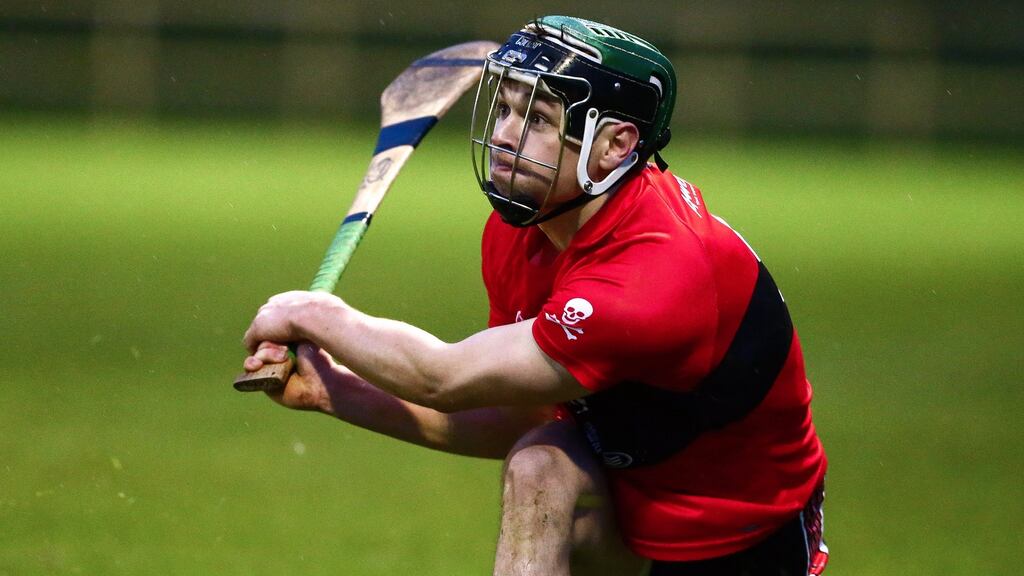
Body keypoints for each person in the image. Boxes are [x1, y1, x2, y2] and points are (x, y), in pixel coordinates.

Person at [242, 15, 829, 576]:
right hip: (624, 518)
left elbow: (442, 378)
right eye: (503, 109)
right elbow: (516, 416)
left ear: (615, 145)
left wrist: (314, 313)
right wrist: (337, 391)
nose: (501, 135)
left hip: (744, 540)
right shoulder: (521, 229)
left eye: (538, 119)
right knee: (539, 466)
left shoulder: (654, 277)